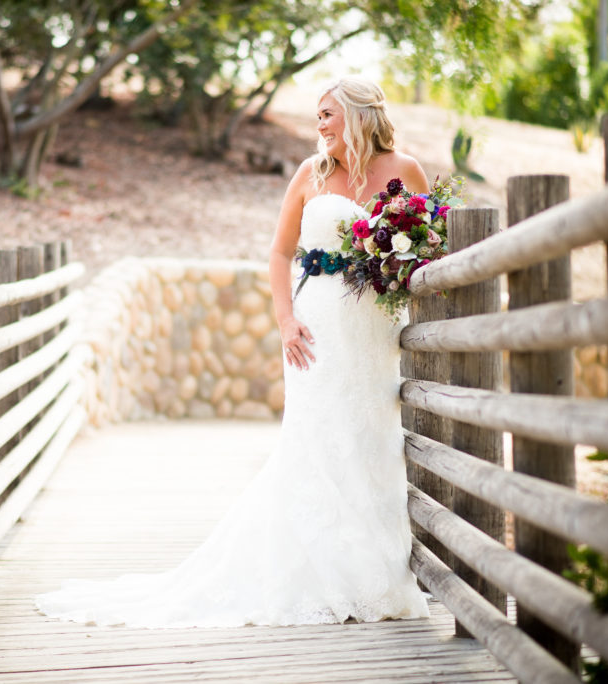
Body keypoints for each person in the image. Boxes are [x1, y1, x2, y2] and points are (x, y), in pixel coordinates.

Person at [34, 77, 430, 628]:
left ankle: (374, 573)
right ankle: (319, 572)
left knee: (370, 434)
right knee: (318, 437)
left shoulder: (406, 171)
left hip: (371, 327)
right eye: (317, 116)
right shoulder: (310, 174)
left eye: (327, 114)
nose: (319, 125)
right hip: (316, 325)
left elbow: (424, 246)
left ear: (360, 116)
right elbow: (279, 250)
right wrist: (284, 319)